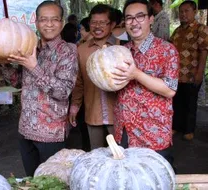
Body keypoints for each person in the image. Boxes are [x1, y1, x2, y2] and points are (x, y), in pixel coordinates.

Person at [5, 1, 78, 176]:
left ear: (61, 22)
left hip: (50, 134)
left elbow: (62, 92)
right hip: (25, 129)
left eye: (55, 19)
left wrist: (34, 67)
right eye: (44, 19)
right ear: (36, 22)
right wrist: (4, 63)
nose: (49, 24)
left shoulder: (68, 51)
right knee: (32, 179)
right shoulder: (29, 48)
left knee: (51, 182)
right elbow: (17, 82)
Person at [112, 0, 179, 165]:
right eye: (129, 18)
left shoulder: (167, 50)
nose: (134, 22)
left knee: (156, 181)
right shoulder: (122, 51)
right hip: (125, 132)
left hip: (153, 134)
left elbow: (169, 89)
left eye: (140, 17)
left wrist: (136, 74)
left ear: (151, 19)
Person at [69, 4, 117, 150]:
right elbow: (79, 82)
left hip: (118, 114)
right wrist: (75, 106)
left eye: (102, 22)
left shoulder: (122, 48)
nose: (97, 26)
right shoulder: (81, 50)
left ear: (112, 24)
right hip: (93, 113)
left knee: (121, 155)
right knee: (96, 155)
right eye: (94, 22)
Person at [171, 0, 208, 141]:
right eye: (181, 11)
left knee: (190, 102)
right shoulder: (177, 30)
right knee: (177, 101)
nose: (183, 14)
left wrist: (200, 72)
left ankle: (188, 130)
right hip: (176, 74)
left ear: (195, 12)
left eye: (187, 11)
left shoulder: (201, 29)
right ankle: (176, 126)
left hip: (192, 73)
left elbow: (204, 51)